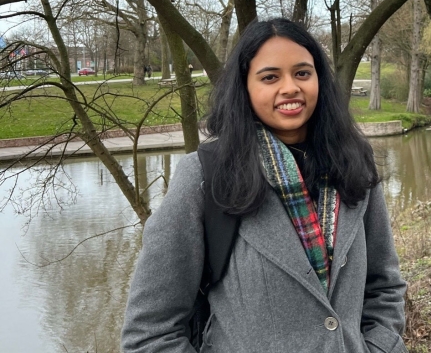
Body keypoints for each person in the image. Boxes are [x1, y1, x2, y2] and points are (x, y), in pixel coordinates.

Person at [121, 18, 407, 353]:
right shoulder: (204, 176)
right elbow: (149, 333)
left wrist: (380, 346)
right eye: (270, 77)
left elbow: (384, 285)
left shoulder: (354, 162)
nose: (290, 87)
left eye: (302, 73)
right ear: (244, 86)